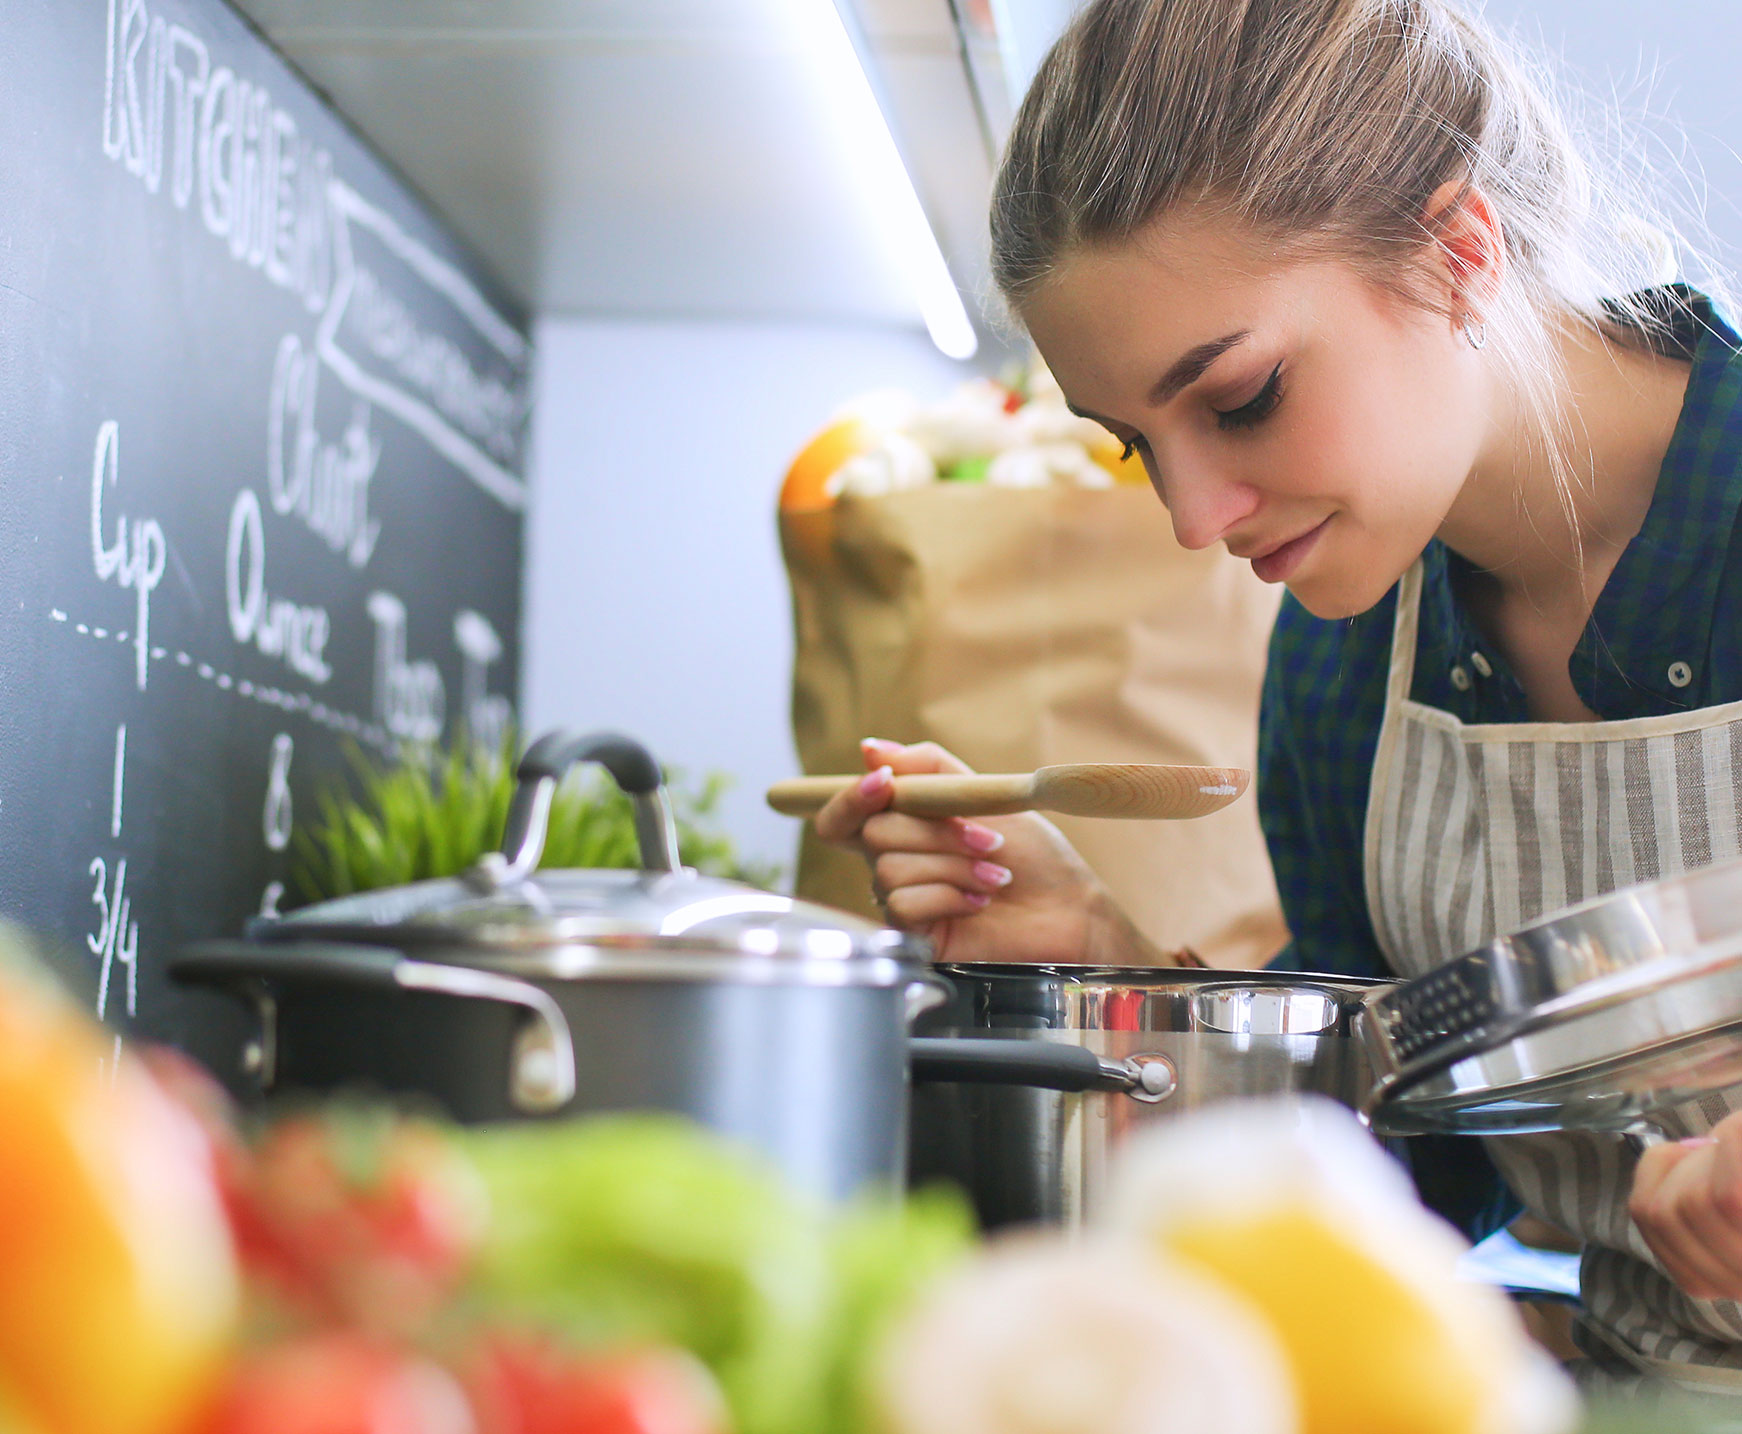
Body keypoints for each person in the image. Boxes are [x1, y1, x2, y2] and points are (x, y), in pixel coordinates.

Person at [810, 0, 1742, 1386]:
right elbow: (1411, 1180)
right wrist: (1103, 958)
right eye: (1136, 445)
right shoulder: (1341, 654)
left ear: (1455, 255)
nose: (1196, 516)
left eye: (1239, 397)